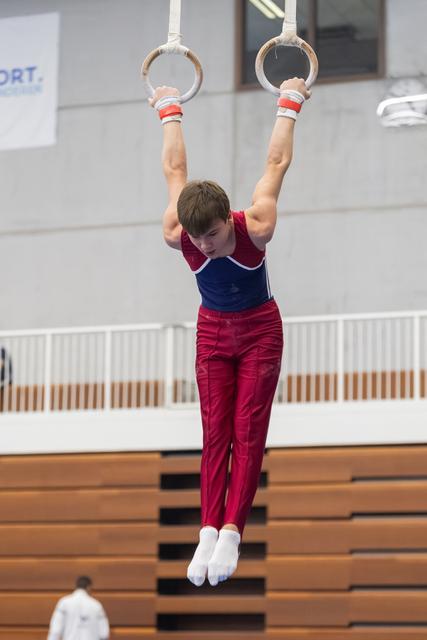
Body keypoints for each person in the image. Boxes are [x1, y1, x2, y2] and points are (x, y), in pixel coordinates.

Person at [150, 76, 311, 587]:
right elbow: (175, 169)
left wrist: (289, 103)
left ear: (229, 220)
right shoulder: (181, 232)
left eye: (214, 235)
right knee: (214, 431)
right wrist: (168, 109)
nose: (207, 245)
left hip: (260, 329)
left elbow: (275, 165)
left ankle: (233, 532)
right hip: (213, 332)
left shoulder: (255, 225)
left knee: (248, 429)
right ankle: (206, 532)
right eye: (199, 238)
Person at [47, 576, 109, 640]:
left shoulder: (64, 603)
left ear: (76, 586)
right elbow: (104, 634)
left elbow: (55, 630)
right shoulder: (96, 605)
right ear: (89, 587)